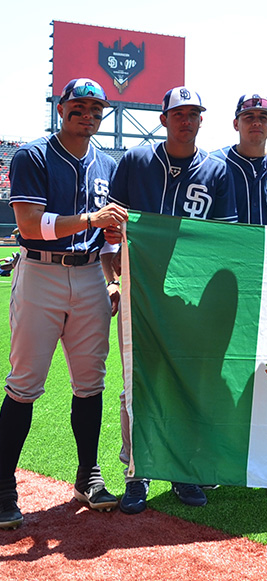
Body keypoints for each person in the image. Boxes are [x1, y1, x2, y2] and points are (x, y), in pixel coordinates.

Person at [1, 78, 129, 529]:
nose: (88, 113)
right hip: (41, 272)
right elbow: (31, 225)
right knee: (25, 383)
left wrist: (113, 279)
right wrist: (92, 219)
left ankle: (87, 475)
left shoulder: (107, 164)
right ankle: (1, 484)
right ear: (61, 108)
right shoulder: (33, 154)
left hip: (92, 273)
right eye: (79, 105)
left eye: (96, 107)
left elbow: (110, 236)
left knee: (90, 381)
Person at [109, 86, 237, 515]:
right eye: (178, 114)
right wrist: (114, 279)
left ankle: (184, 470)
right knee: (137, 384)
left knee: (186, 383)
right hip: (140, 292)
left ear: (202, 120)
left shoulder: (217, 170)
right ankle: (137, 472)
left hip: (190, 297)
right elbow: (112, 231)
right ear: (163, 119)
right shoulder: (134, 161)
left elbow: (223, 241)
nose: (186, 120)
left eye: (193, 114)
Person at [210, 94, 267, 225]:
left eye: (263, 118)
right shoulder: (215, 165)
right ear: (236, 124)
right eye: (249, 117)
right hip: (226, 244)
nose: (257, 122)